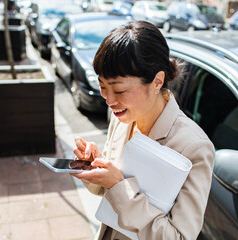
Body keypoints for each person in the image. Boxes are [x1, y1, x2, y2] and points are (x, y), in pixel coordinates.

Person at [71, 21, 215, 240]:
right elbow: (106, 191)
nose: (109, 100)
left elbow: (179, 237)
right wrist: (96, 167)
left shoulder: (193, 147)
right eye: (102, 87)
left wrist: (120, 186)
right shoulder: (121, 119)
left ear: (157, 81)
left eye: (119, 90)